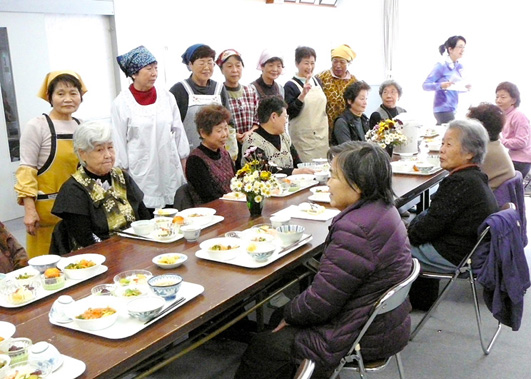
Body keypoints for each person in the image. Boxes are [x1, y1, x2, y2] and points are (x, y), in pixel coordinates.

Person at [234, 141, 412, 379]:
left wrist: (289, 312)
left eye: (333, 177)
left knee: (263, 346)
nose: (328, 183)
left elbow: (319, 304)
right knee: (280, 318)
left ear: (357, 185)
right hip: (382, 325)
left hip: (357, 334)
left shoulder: (356, 229)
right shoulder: (384, 210)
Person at [408, 119, 498, 274]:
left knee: (388, 249)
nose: (441, 150)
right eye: (442, 143)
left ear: (470, 153)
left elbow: (421, 232)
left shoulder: (459, 182)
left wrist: (407, 229)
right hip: (466, 249)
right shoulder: (475, 177)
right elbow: (433, 219)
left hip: (453, 254)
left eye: (448, 145)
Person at [14, 70, 87, 257]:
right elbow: (27, 170)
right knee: (47, 270)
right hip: (46, 214)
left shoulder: (83, 126)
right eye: (60, 93)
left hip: (77, 211)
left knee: (80, 263)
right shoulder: (37, 126)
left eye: (73, 93)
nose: (68, 99)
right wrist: (30, 211)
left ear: (81, 96)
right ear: (50, 97)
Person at [111, 45, 189, 211]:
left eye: (156, 68)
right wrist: (122, 172)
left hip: (168, 164)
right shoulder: (121, 103)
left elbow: (178, 131)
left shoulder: (167, 97)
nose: (154, 73)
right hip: (140, 168)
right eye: (148, 69)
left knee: (173, 211)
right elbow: (118, 140)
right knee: (148, 212)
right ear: (134, 73)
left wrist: (183, 162)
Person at [52, 121, 150, 250]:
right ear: (82, 154)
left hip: (135, 247)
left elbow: (144, 217)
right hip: (97, 257)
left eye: (110, 147)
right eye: (99, 150)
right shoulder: (74, 189)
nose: (108, 155)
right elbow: (86, 240)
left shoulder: (121, 177)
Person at [169, 44, 236, 158]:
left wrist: (231, 156)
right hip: (188, 155)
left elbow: (229, 123)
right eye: (201, 63)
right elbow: (171, 127)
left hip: (217, 155)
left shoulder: (219, 89)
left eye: (210, 63)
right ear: (190, 65)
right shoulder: (179, 90)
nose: (206, 67)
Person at [241, 96, 313, 176]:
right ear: (274, 117)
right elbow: (264, 170)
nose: (286, 121)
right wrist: (294, 172)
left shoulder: (284, 136)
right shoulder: (252, 142)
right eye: (285, 117)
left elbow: (297, 162)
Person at [284, 46, 328, 162]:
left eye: (312, 63)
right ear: (297, 64)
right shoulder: (290, 85)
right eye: (306, 63)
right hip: (303, 139)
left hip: (321, 136)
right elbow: (290, 112)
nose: (309, 67)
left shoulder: (317, 81)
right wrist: (302, 95)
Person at [216, 49, 260, 166]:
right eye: (229, 66)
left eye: (238, 66)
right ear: (221, 70)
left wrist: (250, 132)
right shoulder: (218, 92)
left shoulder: (250, 90)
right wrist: (233, 135)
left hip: (251, 144)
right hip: (227, 145)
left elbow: (258, 118)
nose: (234, 70)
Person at [186, 104, 235, 204]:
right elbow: (209, 197)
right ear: (203, 133)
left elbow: (236, 182)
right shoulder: (195, 160)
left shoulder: (224, 153)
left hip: (232, 205)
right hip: (211, 211)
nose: (225, 134)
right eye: (219, 130)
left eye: (226, 128)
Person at [423, 36, 470, 125]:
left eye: (464, 47)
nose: (462, 50)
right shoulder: (441, 66)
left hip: (453, 108)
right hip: (442, 108)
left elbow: (453, 89)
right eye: (460, 47)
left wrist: (465, 88)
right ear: (450, 49)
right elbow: (425, 85)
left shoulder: (459, 67)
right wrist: (441, 85)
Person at [467, 103, 515, 189]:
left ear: (480, 128)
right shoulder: (495, 145)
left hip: (487, 197)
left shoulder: (482, 152)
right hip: (496, 195)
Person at [316, 44, 357, 140]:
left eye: (342, 62)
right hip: (324, 126)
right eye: (335, 62)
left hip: (346, 126)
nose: (338, 65)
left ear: (348, 63)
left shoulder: (354, 81)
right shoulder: (321, 77)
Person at [495, 81, 531, 178]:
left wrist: (501, 141)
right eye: (497, 97)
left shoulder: (518, 116)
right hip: (512, 157)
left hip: (521, 160)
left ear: (513, 100)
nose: (498, 100)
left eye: (503, 97)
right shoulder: (505, 115)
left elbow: (521, 142)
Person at [332, 81, 371, 146]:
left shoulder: (364, 119)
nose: (365, 102)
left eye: (366, 99)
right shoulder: (341, 122)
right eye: (362, 99)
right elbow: (347, 149)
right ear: (349, 100)